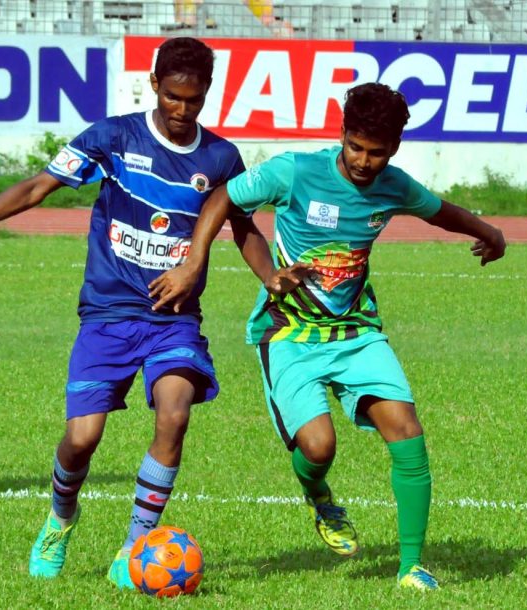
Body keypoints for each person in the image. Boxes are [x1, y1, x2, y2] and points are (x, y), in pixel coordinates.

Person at [0, 37, 272, 588]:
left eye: (193, 100)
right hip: (106, 314)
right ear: (154, 84)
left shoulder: (220, 157)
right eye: (173, 96)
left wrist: (271, 281)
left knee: (174, 414)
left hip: (173, 319)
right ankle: (60, 517)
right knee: (81, 439)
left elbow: (242, 227)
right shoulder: (112, 137)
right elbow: (37, 187)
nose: (182, 110)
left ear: (207, 95)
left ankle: (134, 549)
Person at [149, 82, 506, 591]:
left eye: (376, 152)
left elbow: (440, 210)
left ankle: (410, 567)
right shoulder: (298, 171)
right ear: (342, 134)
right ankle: (319, 496)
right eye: (355, 146)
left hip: (357, 332)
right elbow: (226, 196)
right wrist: (195, 259)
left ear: (394, 149)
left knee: (406, 429)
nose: (363, 160)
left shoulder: (394, 186)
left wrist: (488, 233)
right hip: (289, 332)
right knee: (318, 448)